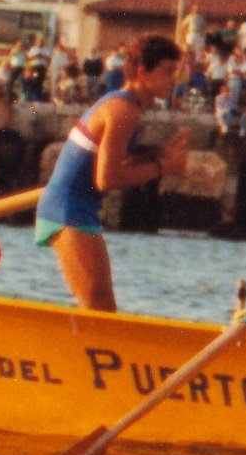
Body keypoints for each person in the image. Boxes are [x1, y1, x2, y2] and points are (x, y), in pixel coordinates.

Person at [35, 33, 192, 312]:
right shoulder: (123, 111)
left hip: (75, 208)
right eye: (167, 71)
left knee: (101, 308)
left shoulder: (127, 107)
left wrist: (157, 156)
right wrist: (163, 168)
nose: (173, 80)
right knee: (99, 308)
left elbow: (114, 167)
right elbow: (106, 179)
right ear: (142, 72)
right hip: (67, 210)